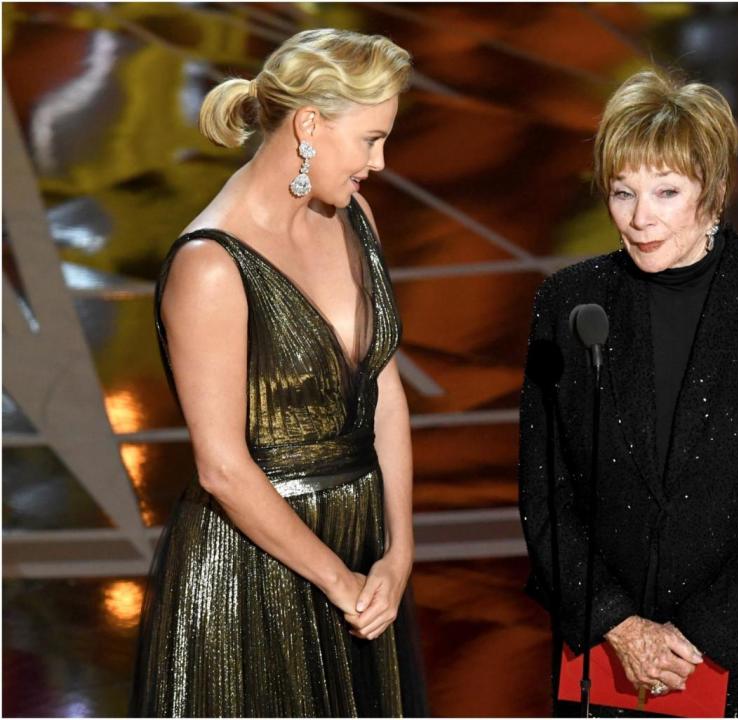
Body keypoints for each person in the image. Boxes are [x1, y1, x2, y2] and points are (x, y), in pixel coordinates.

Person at [519, 67, 738, 718]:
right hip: (601, 660)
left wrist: (701, 635)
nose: (640, 220)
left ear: (713, 191)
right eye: (622, 192)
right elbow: (544, 494)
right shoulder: (569, 303)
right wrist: (622, 627)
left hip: (736, 655)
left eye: (666, 192)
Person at [130, 28, 426, 717]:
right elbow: (222, 467)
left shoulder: (356, 218)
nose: (379, 163)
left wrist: (399, 553)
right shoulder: (211, 265)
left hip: (361, 554)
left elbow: (382, 388)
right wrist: (337, 579)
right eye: (370, 139)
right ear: (310, 125)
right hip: (252, 575)